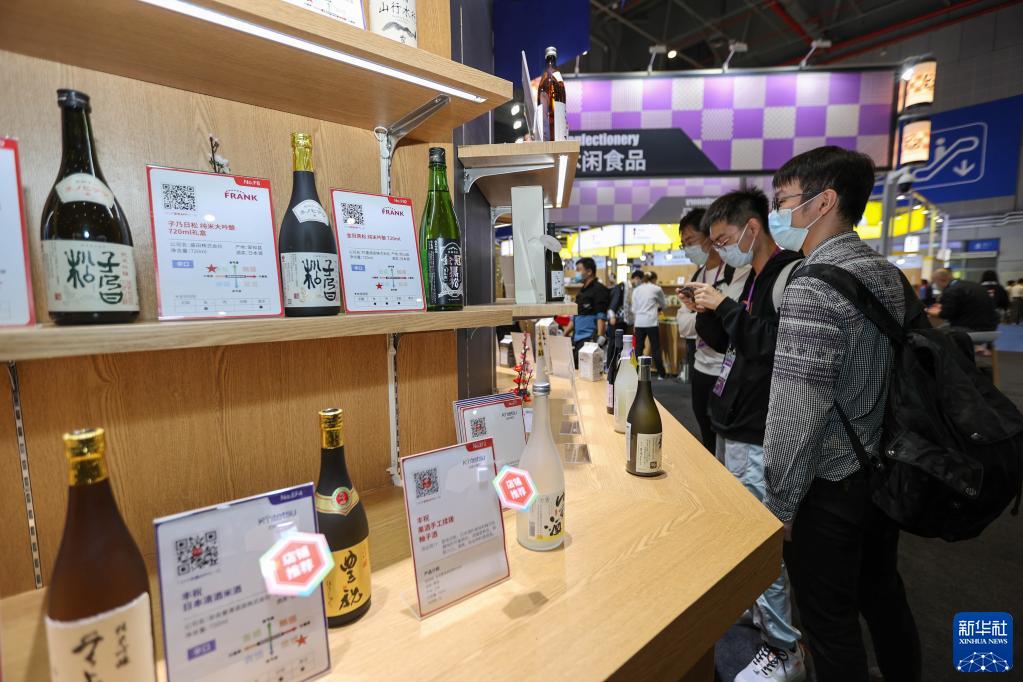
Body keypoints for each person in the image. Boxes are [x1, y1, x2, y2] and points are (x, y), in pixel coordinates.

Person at [763, 146, 921, 682]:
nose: (779, 212)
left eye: (784, 200)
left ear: (823, 201)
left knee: (829, 625)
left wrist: (780, 503)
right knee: (883, 598)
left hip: (828, 484)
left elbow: (796, 410)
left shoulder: (812, 284)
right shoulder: (886, 272)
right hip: (883, 470)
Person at [687, 188, 806, 682]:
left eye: (723, 240)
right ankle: (754, 608)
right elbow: (731, 342)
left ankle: (783, 648)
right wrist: (706, 309)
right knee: (742, 533)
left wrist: (726, 307)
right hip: (733, 419)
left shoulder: (789, 275)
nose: (720, 250)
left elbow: (772, 346)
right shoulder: (752, 278)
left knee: (761, 542)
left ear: (752, 228)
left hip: (759, 429)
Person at [676, 207, 750, 453]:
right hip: (701, 366)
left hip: (727, 369)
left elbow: (731, 325)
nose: (688, 248)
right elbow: (683, 325)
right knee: (705, 433)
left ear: (708, 237)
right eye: (684, 244)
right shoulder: (698, 275)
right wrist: (707, 314)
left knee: (728, 440)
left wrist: (703, 314)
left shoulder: (737, 272)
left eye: (691, 241)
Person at [564, 257, 609, 366]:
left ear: (589, 272)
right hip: (577, 339)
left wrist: (598, 342)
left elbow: (601, 317)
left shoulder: (599, 289)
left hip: (589, 340)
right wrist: (565, 333)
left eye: (579, 270)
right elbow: (575, 316)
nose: (576, 273)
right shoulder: (582, 291)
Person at [928, 268, 999, 331]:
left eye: (935, 282)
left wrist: (930, 311)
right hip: (990, 327)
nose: (935, 285)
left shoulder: (951, 290)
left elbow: (946, 314)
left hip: (970, 327)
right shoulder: (970, 285)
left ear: (941, 280)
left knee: (935, 334)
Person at [630, 269, 668, 378]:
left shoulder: (636, 290)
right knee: (655, 348)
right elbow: (664, 305)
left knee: (638, 348)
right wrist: (657, 307)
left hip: (639, 322)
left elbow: (633, 309)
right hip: (651, 322)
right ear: (654, 279)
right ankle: (661, 374)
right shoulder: (656, 289)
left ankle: (635, 373)